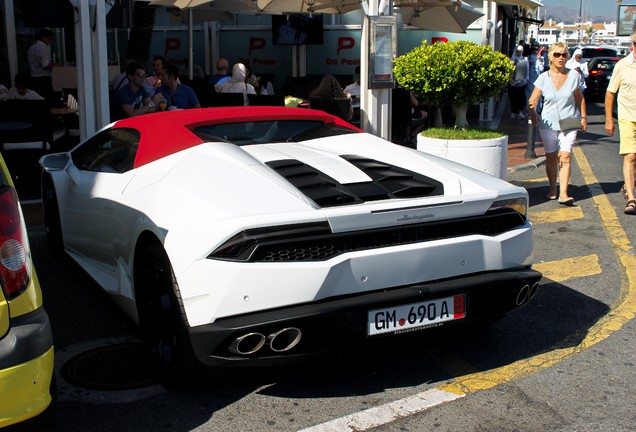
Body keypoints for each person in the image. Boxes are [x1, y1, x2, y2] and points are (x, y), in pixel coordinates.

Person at [528, 42, 587, 207]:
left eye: (564, 55)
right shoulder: (543, 77)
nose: (561, 58)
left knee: (565, 156)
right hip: (547, 123)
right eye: (557, 54)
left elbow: (579, 97)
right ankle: (553, 188)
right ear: (550, 57)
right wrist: (533, 114)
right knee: (551, 156)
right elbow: (532, 100)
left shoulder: (574, 76)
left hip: (569, 122)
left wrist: (583, 117)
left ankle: (564, 193)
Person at [605, 31, 636, 215]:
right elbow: (610, 93)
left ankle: (627, 185)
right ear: (633, 44)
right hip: (627, 117)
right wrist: (609, 118)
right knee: (631, 156)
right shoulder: (622, 66)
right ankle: (632, 198)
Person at [27, 28, 55, 102]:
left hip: (33, 78)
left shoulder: (31, 48)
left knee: (37, 101)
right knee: (47, 100)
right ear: (43, 37)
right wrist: (59, 66)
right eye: (49, 39)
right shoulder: (43, 47)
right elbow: (45, 65)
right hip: (43, 79)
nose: (50, 42)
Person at [509, 45, 529, 120]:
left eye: (520, 51)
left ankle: (520, 112)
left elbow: (527, 69)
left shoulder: (525, 59)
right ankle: (514, 112)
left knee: (521, 98)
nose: (518, 53)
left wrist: (527, 78)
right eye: (517, 51)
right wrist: (509, 79)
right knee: (513, 98)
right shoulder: (512, 60)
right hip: (513, 82)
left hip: (522, 82)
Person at [526, 43, 544, 112]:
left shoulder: (541, 58)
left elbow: (542, 69)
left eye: (536, 49)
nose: (535, 51)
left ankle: (537, 110)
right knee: (529, 94)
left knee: (538, 94)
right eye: (534, 49)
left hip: (538, 78)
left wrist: (539, 60)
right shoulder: (529, 57)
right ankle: (529, 109)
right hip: (530, 78)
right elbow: (527, 68)